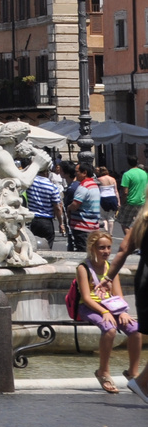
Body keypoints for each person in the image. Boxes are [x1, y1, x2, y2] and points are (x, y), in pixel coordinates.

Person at [75, 228, 142, 394]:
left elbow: (118, 294)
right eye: (101, 248)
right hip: (89, 307)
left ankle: (132, 372)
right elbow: (87, 297)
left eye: (108, 247)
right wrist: (104, 313)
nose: (106, 251)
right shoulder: (83, 268)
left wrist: (124, 311)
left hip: (111, 306)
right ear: (92, 248)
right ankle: (103, 371)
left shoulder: (110, 267)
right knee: (109, 329)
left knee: (135, 329)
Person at [107, 206, 148, 402]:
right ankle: (141, 383)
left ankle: (141, 382)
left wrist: (109, 277)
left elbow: (124, 249)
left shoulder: (142, 220)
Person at [27, 164, 64, 250]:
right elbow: (57, 207)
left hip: (33, 219)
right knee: (47, 247)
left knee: (33, 246)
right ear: (47, 172)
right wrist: (61, 223)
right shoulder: (52, 187)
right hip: (46, 221)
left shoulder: (30, 183)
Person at [70, 161, 104, 250]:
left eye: (77, 172)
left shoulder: (83, 187)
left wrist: (68, 207)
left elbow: (75, 205)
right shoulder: (94, 185)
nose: (75, 174)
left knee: (83, 252)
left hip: (83, 226)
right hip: (93, 225)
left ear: (84, 172)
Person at [121, 157, 148, 235]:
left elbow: (125, 192)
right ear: (137, 162)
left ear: (128, 163)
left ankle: (129, 240)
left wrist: (122, 202)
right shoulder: (144, 173)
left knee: (124, 224)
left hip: (130, 201)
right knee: (140, 223)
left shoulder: (127, 174)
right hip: (142, 201)